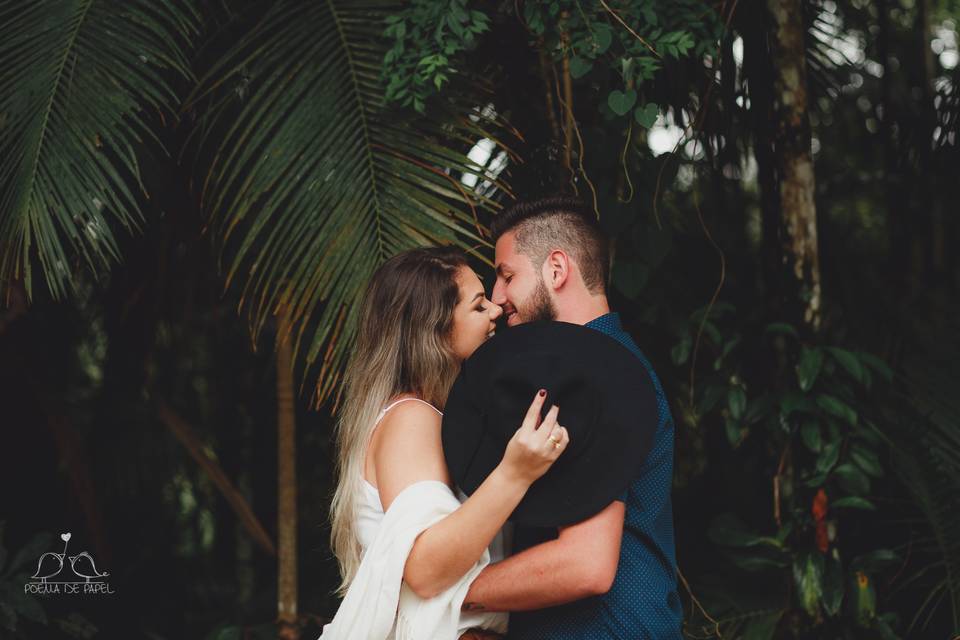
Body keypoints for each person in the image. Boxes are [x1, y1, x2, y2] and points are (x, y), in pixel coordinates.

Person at [458, 196, 683, 639]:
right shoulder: (603, 362)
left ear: (556, 269)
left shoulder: (593, 374)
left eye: (507, 276)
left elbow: (585, 565)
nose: (498, 297)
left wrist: (444, 588)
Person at [323, 247, 570, 639]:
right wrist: (515, 474)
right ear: (435, 331)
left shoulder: (439, 418)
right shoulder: (412, 419)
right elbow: (424, 570)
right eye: (477, 306)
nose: (495, 310)